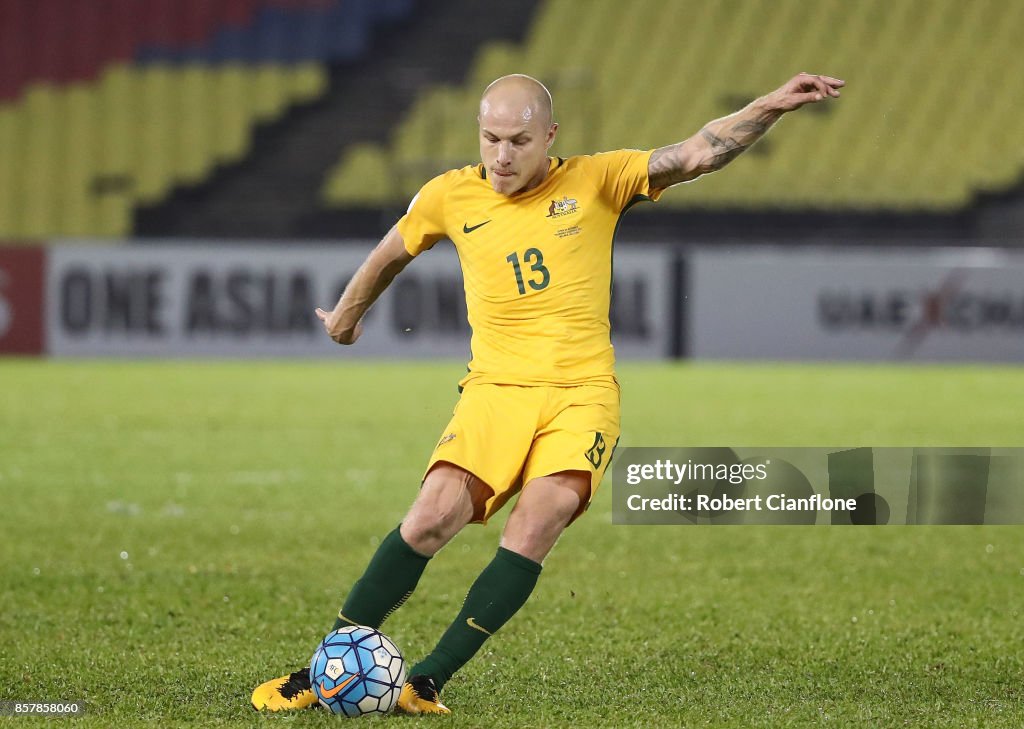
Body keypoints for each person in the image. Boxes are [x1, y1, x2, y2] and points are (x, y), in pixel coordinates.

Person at [251, 71, 844, 715]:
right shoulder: (450, 195)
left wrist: (772, 105)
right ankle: (322, 668)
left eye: (520, 141)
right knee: (429, 520)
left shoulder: (597, 179)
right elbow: (391, 252)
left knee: (536, 523)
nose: (502, 156)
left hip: (582, 395)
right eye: (491, 139)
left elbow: (696, 152)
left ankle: (426, 682)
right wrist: (344, 315)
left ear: (550, 137)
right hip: (495, 391)